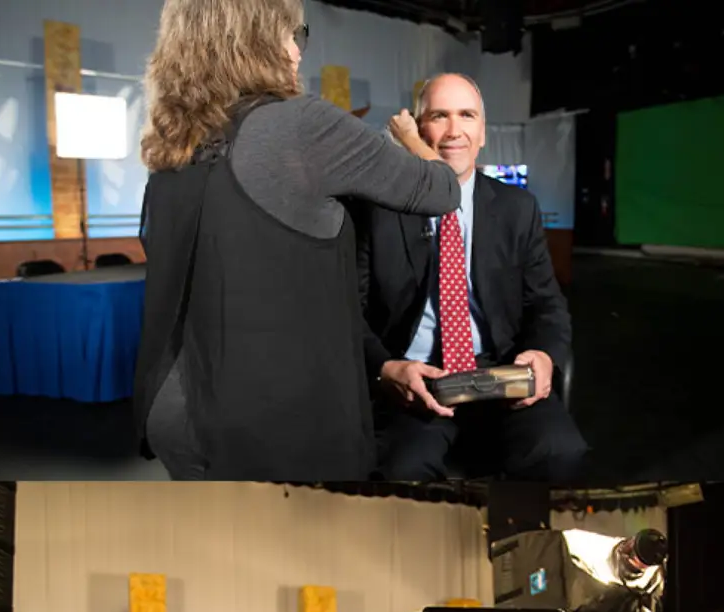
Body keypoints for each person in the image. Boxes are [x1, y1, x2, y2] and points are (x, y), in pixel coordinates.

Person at [134, 0, 461, 480]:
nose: (297, 51)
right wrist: (412, 137)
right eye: (292, 34)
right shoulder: (299, 125)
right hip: (269, 425)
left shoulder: (173, 142)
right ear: (257, 39)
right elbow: (442, 189)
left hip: (178, 412)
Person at [356, 73, 589, 481]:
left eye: (467, 116)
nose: (454, 131)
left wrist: (543, 355)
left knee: (560, 451)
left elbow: (547, 304)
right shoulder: (378, 211)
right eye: (439, 116)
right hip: (418, 383)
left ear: (482, 133)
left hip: (500, 376)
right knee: (401, 471)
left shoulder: (518, 209)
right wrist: (386, 368)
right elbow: (347, 314)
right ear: (418, 130)